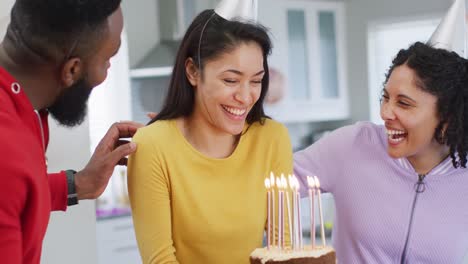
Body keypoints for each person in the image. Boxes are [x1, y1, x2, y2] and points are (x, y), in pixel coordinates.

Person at [293, 1, 468, 262]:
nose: (385, 112)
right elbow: (263, 188)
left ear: (447, 117)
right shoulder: (351, 146)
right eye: (385, 97)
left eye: (403, 103)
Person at [127, 3, 293, 264]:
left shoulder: (272, 138)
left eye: (256, 80)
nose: (245, 96)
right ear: (193, 71)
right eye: (230, 80)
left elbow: (283, 249)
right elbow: (159, 260)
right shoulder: (152, 146)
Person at [0, 0, 142, 263]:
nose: (107, 72)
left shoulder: (20, 107)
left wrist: (79, 184)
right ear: (72, 69)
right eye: (108, 59)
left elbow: (16, 197)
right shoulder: (6, 153)